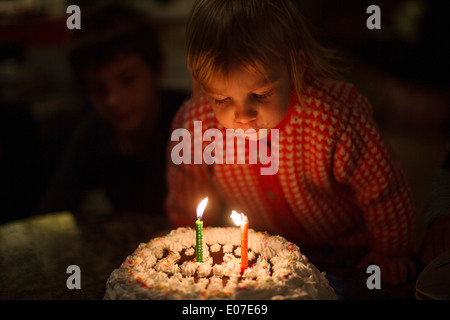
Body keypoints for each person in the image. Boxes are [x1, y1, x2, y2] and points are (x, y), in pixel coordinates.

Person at [165, 0, 416, 286]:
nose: (242, 115)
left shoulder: (335, 117)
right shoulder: (198, 124)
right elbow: (187, 189)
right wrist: (193, 242)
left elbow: (383, 188)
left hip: (347, 250)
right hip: (263, 256)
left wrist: (392, 251)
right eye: (222, 99)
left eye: (259, 94)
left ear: (296, 64)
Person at [38, 3, 188, 216]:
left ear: (158, 70)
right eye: (98, 88)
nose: (113, 100)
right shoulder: (94, 133)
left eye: (127, 80)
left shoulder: (191, 122)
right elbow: (53, 211)